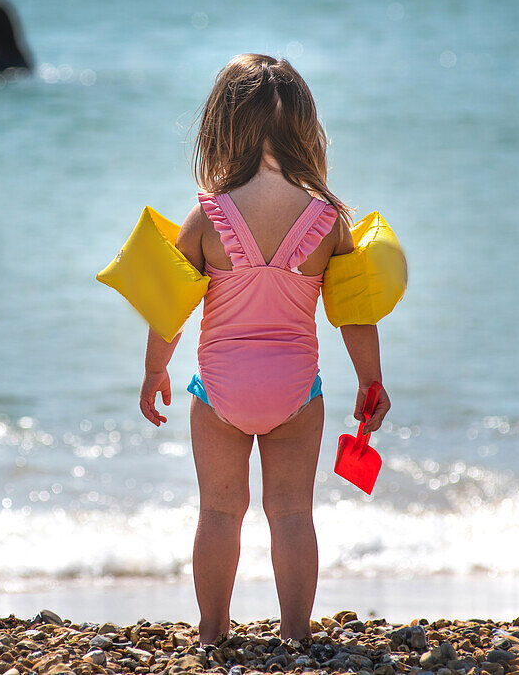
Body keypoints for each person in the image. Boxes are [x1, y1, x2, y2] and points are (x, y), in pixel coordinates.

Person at [138, 54, 391, 644]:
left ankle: (212, 631)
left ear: (221, 128)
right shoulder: (328, 221)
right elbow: (355, 314)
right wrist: (371, 381)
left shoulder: (207, 217)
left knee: (219, 514)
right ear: (306, 131)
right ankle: (298, 632)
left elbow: (169, 308)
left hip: (220, 393)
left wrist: (155, 370)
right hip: (296, 395)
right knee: (293, 515)